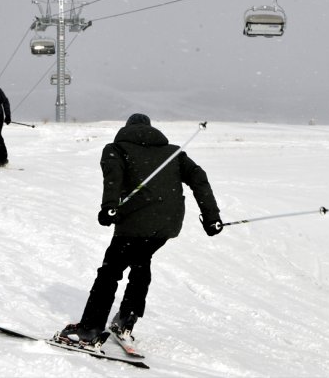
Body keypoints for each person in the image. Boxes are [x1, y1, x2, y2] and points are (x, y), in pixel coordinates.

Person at [58, 113, 224, 346]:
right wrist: (211, 217)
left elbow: (113, 177)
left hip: (134, 223)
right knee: (140, 263)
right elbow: (199, 177)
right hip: (166, 224)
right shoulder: (173, 152)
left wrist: (109, 208)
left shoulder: (116, 148)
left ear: (127, 128)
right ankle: (126, 321)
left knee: (110, 272)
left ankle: (89, 329)